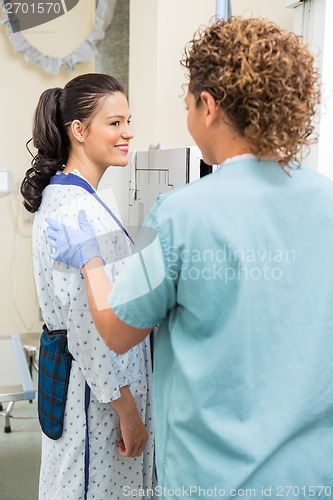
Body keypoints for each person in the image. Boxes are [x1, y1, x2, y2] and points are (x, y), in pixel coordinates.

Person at [46, 17, 333, 498]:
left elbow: (115, 331)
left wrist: (92, 262)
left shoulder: (184, 213)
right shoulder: (325, 201)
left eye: (185, 106)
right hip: (311, 474)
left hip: (213, 477)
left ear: (208, 106)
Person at [20, 73, 155, 500]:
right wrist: (128, 413)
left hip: (101, 390)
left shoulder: (89, 200)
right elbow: (87, 328)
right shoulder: (74, 210)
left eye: (128, 121)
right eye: (115, 123)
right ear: (79, 131)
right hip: (97, 400)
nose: (128, 133)